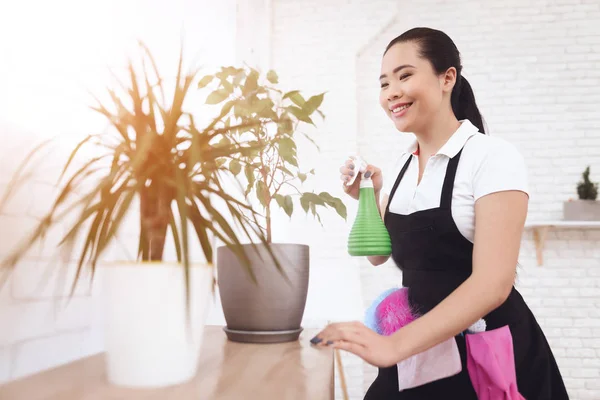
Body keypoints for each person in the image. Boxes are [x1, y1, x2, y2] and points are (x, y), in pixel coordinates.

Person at [311, 27, 569, 399]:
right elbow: (377, 255)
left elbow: (493, 285)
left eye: (404, 76)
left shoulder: (492, 158)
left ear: (447, 77)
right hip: (422, 348)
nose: (391, 93)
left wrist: (393, 346)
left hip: (486, 350)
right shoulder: (401, 167)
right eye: (384, 83)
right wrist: (369, 196)